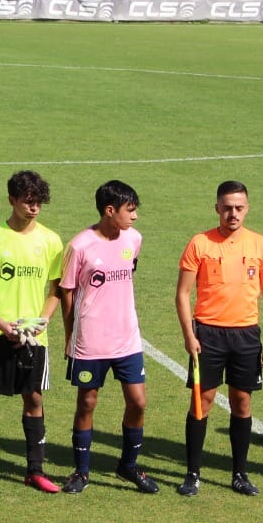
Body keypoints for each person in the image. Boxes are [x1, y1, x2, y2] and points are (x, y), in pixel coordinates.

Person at [174, 181, 263, 497]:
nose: (232, 213)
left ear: (247, 208)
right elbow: (182, 294)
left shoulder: (261, 245)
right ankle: (192, 474)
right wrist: (188, 335)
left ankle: (240, 474)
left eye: (239, 207)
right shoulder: (200, 243)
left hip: (246, 335)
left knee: (242, 403)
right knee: (201, 401)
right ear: (217, 207)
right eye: (227, 207)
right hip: (207, 334)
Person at [0, 170, 64, 494]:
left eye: (38, 202)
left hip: (35, 337)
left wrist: (44, 320)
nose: (34, 208)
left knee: (33, 397)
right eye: (28, 202)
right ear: (12, 200)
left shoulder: (51, 241)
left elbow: (57, 289)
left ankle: (35, 471)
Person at [58, 180, 158, 495]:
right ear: (109, 210)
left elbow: (129, 271)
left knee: (138, 402)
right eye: (130, 210)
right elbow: (67, 292)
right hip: (90, 341)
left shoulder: (134, 239)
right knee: (87, 402)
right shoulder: (80, 246)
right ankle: (81, 472)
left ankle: (128, 466)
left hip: (127, 339)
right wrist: (70, 334)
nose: (135, 217)